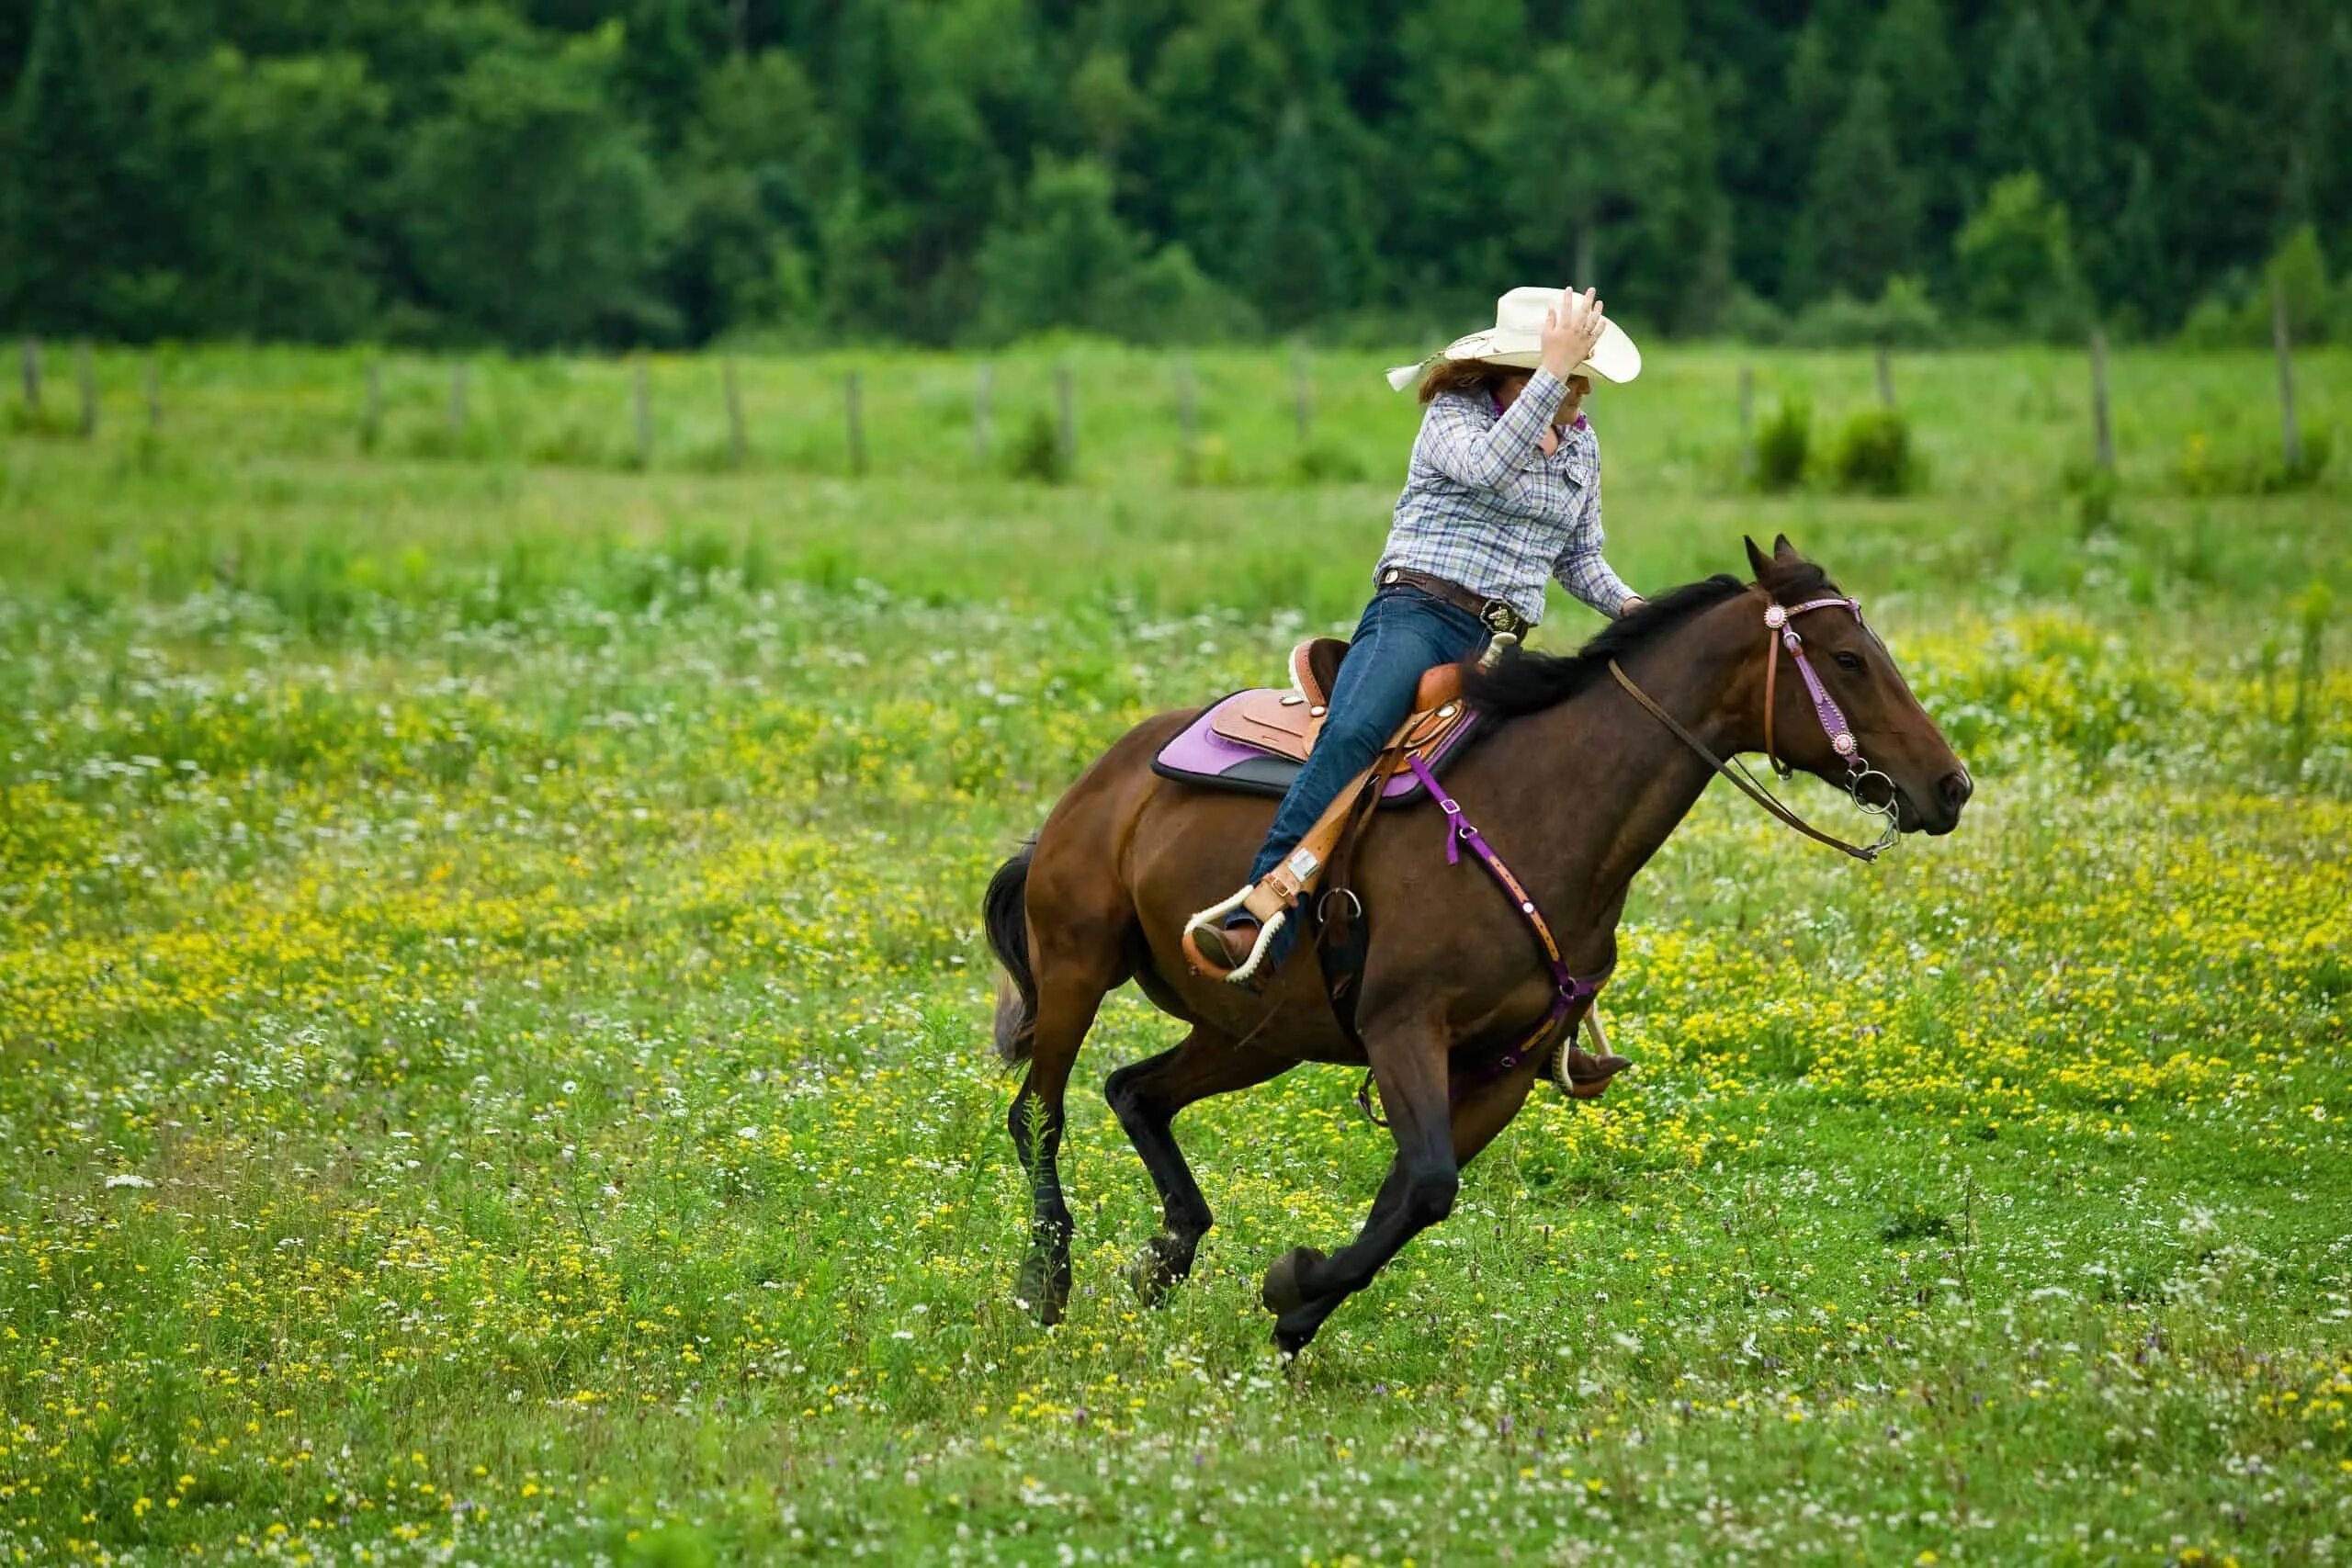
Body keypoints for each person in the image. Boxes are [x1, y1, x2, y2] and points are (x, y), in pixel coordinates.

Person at [1190, 285, 1645, 980]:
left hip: (1500, 646)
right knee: (1354, 731)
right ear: (1515, 372)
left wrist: (1631, 607)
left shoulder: (1580, 446)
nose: (1579, 391)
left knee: (1542, 783)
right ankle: (1262, 910)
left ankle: (1545, 983)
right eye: (1566, 372)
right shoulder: (1454, 417)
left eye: (1581, 376)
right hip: (1419, 616)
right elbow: (1490, 469)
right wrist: (1550, 374)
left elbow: (1578, 556)